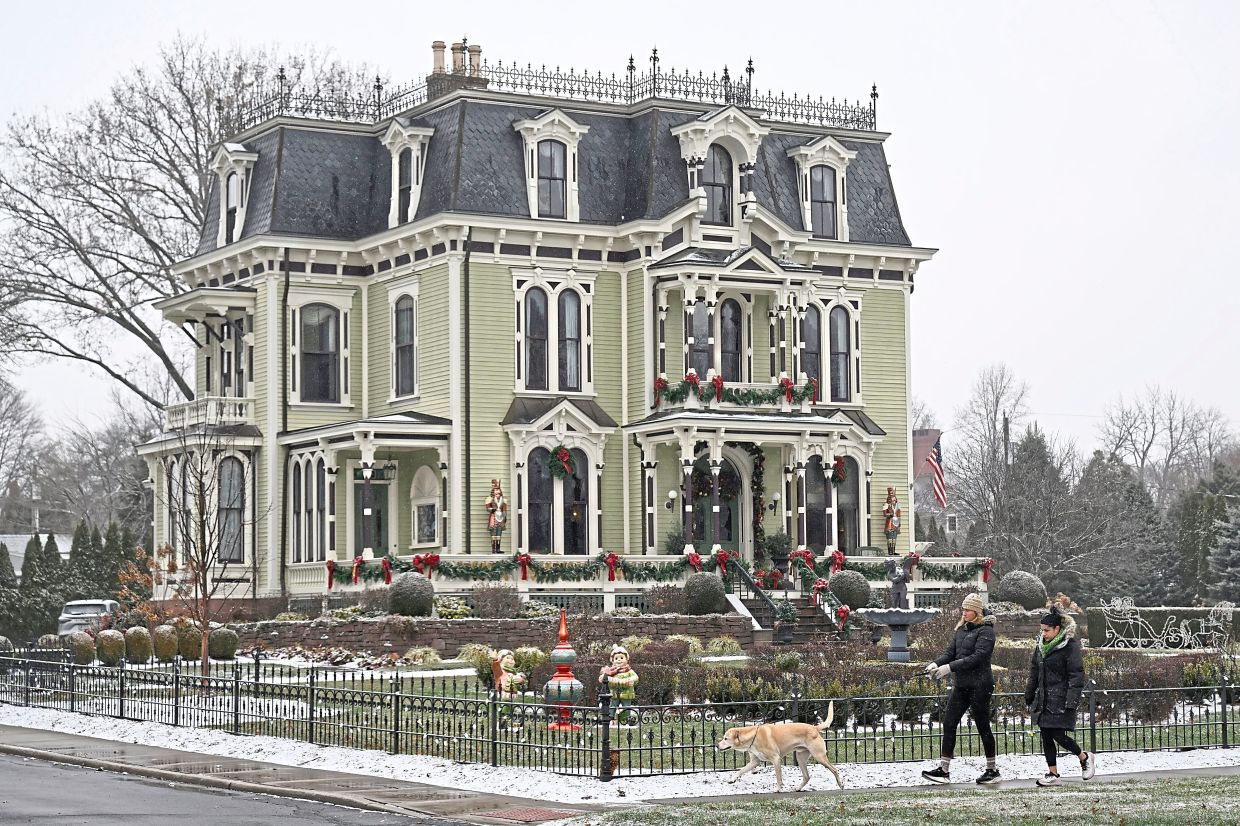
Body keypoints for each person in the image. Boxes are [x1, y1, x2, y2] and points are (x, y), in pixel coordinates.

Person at [921, 592, 1000, 785]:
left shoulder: (986, 631)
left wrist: (950, 668)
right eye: (963, 609)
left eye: (968, 610)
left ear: (977, 611)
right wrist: (935, 663)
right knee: (949, 723)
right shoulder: (961, 630)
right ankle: (944, 770)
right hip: (962, 684)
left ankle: (992, 770)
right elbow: (951, 653)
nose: (964, 612)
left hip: (980, 685)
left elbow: (978, 657)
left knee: (982, 726)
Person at [1024, 608, 1095, 786]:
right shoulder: (1040, 646)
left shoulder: (1069, 646)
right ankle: (1052, 773)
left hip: (1061, 699)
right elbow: (1034, 671)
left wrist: (1072, 700)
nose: (1043, 633)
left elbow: (1076, 674)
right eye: (1042, 630)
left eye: (1047, 630)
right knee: (1046, 735)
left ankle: (1084, 757)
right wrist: (1029, 693)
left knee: (1057, 734)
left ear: (1057, 629)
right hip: (1044, 698)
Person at [485, 479, 507, 554]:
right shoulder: (490, 499)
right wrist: (491, 509)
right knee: (493, 533)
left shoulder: (503, 500)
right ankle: (493, 549)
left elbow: (504, 509)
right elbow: (487, 508)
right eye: (496, 492)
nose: (497, 494)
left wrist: (504, 516)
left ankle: (498, 548)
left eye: (498, 493)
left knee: (499, 533)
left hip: (500, 517)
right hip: (493, 517)